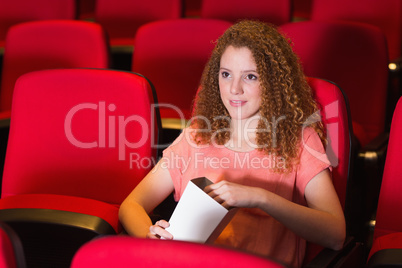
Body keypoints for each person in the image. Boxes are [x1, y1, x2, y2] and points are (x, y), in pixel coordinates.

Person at [119, 20, 345, 268]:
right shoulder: (197, 135)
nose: (234, 89)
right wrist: (149, 235)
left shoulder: (299, 140)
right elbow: (131, 205)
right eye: (226, 74)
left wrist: (260, 197)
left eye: (250, 76)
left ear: (273, 83)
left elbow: (335, 235)